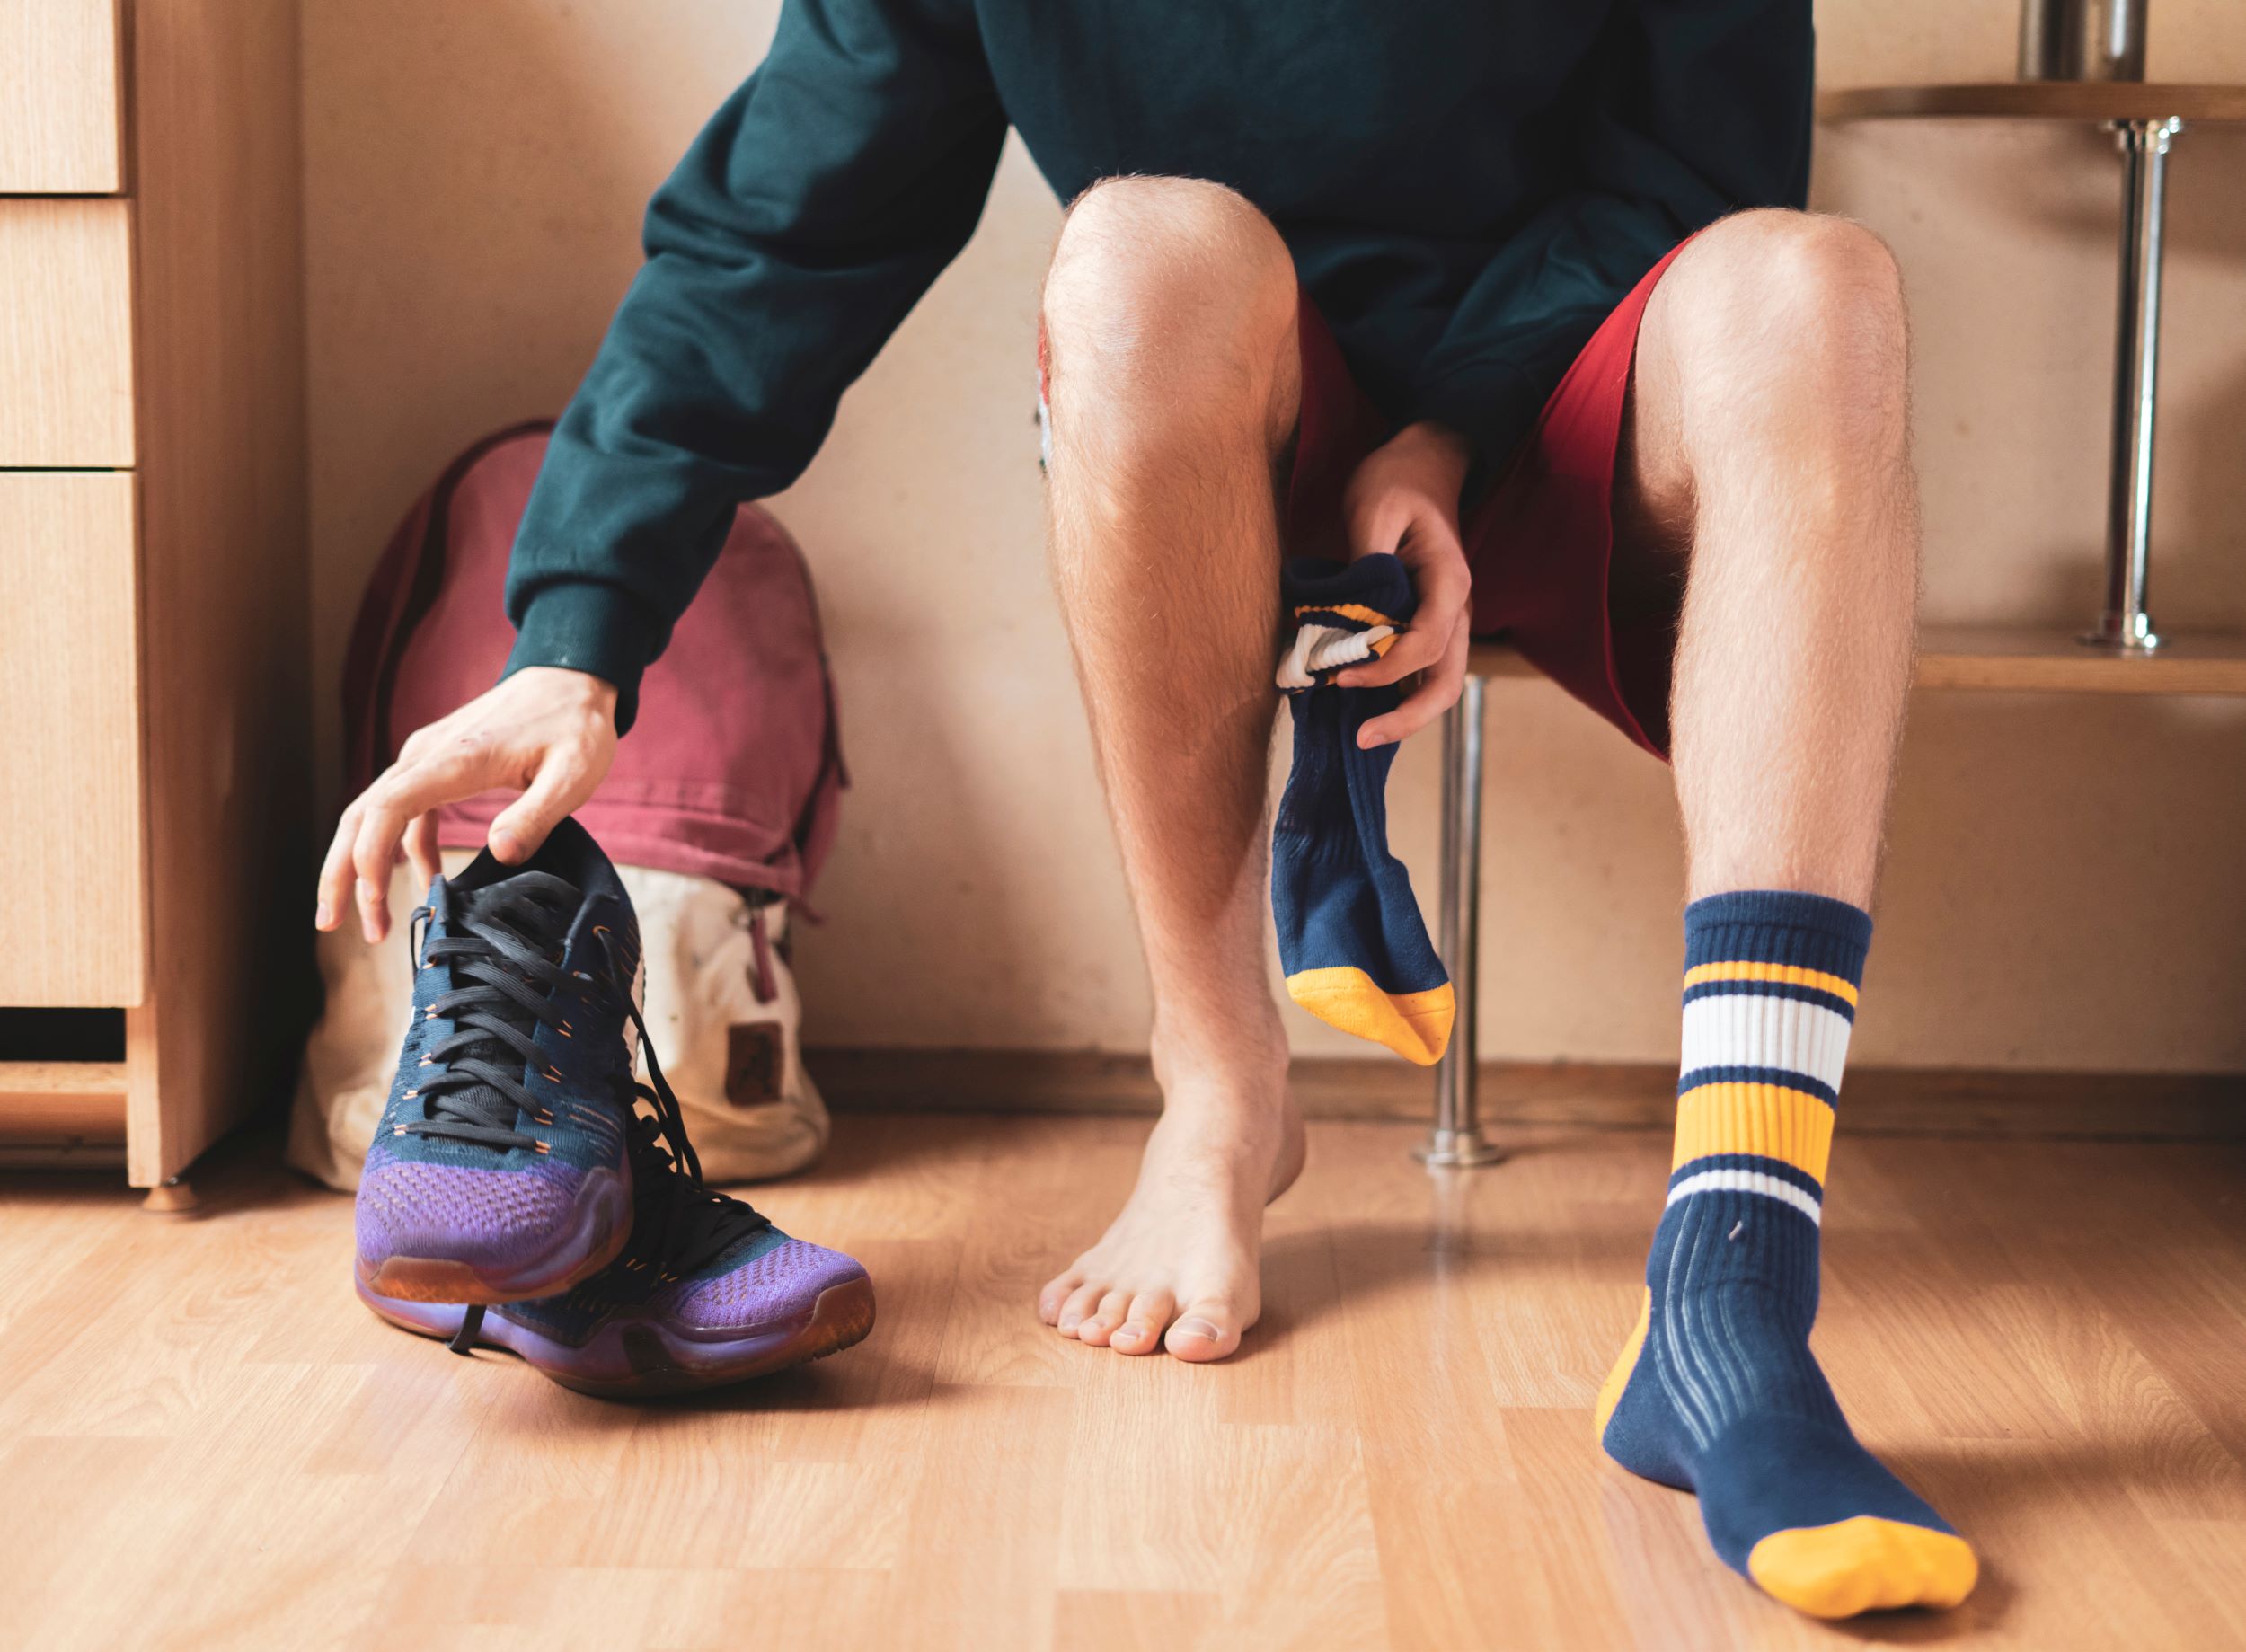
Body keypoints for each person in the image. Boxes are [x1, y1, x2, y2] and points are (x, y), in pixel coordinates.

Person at [317, 0, 1975, 1616]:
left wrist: (1445, 434)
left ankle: (1737, 1273)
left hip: (1589, 380)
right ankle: (1220, 1098)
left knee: (1814, 282)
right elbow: (775, 236)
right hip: (1221, 427)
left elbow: (1712, 137)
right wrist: (576, 641)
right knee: (1132, 254)